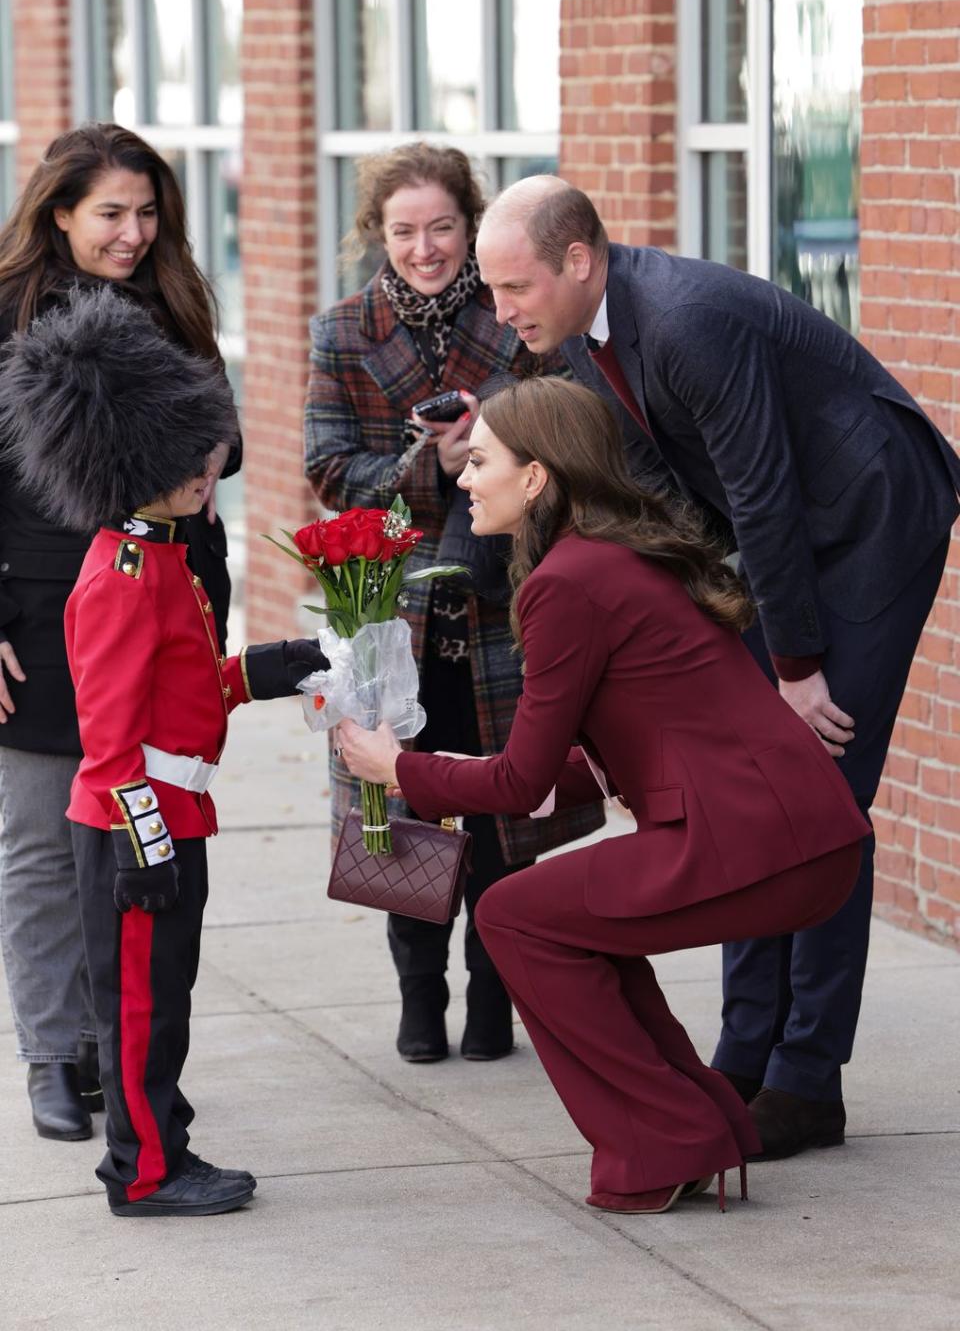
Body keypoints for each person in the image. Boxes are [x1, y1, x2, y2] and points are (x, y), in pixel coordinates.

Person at [471, 175, 960, 1161]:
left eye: (514, 285)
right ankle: (744, 1050)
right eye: (493, 291)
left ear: (578, 260)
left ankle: (807, 1079)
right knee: (747, 790)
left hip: (869, 515)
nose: (502, 311)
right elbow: (661, 488)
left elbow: (764, 495)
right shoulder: (577, 333)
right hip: (778, 534)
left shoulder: (688, 322)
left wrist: (796, 666)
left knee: (819, 794)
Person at [338, 376, 869, 1213]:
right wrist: (541, 780)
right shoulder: (609, 555)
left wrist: (395, 768)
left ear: (538, 477)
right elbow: (652, 723)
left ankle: (668, 1142)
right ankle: (696, 1130)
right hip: (798, 832)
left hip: (759, 841)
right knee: (569, 923)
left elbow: (516, 780)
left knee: (513, 914)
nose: (465, 479)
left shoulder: (565, 582)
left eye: (480, 462)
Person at [0, 286, 327, 1216]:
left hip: (168, 812)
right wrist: (144, 843)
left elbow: (182, 694)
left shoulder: (164, 554)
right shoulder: (122, 573)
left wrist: (268, 669)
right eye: (188, 461)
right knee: (140, 1007)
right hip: (136, 823)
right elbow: (108, 741)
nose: (207, 472)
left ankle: (160, 1127)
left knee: (163, 1000)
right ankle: (143, 1171)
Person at [304, 143, 602, 1065]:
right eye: (403, 231)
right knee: (398, 808)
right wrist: (425, 464)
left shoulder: (515, 313)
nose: (424, 248)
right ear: (376, 234)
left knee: (504, 813)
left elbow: (576, 433)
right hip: (393, 613)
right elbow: (328, 471)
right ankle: (419, 993)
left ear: (471, 225)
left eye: (441, 227)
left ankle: (494, 999)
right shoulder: (344, 330)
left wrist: (494, 441)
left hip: (503, 603)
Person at [0, 122, 240, 1143]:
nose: (134, 233)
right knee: (44, 846)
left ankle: (118, 1045)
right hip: (38, 615)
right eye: (110, 213)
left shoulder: (177, 306)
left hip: (168, 606)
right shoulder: (6, 316)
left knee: (137, 845)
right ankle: (56, 1054)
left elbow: (223, 451)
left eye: (148, 213)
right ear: (59, 213)